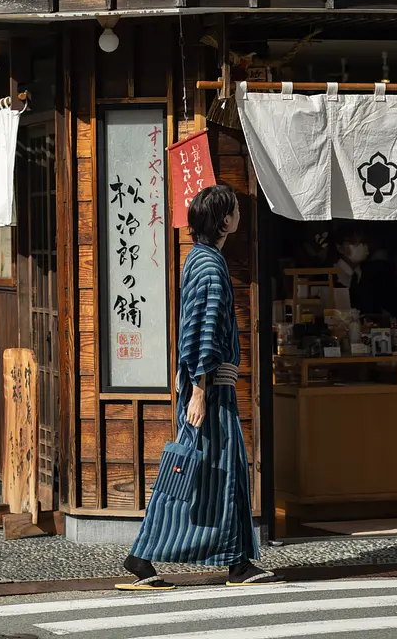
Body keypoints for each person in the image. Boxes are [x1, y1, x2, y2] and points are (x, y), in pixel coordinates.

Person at [118, 185, 283, 590]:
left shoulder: (201, 260)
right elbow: (202, 331)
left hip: (208, 386)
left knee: (214, 475)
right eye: (236, 210)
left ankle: (234, 563)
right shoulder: (210, 267)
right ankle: (151, 557)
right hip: (209, 391)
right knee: (205, 473)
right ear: (224, 220)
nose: (240, 215)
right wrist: (199, 390)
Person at [331, 224, 393, 315]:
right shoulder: (331, 275)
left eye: (363, 242)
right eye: (354, 243)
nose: (361, 246)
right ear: (339, 248)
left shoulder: (373, 273)